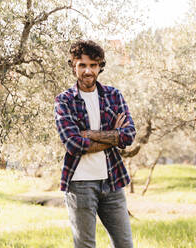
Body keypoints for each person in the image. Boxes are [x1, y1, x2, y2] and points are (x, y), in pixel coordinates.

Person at [54, 39, 136, 248]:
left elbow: (128, 136)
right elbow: (73, 144)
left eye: (93, 65)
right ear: (73, 66)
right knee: (85, 246)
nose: (88, 71)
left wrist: (90, 134)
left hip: (112, 181)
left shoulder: (113, 95)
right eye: (82, 65)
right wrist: (112, 137)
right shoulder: (64, 101)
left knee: (125, 244)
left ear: (100, 66)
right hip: (79, 184)